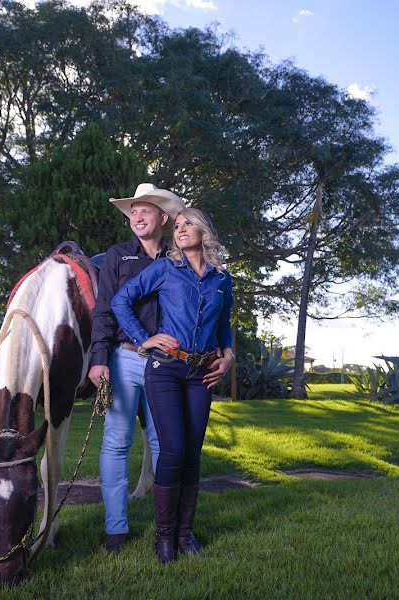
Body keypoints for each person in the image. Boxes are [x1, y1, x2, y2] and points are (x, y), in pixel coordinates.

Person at [111, 207, 235, 563]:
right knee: (173, 450)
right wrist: (143, 339)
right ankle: (163, 539)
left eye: (187, 224)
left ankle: (185, 535)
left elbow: (224, 324)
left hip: (202, 374)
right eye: (176, 225)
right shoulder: (165, 269)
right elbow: (122, 302)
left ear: (204, 231)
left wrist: (227, 356)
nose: (180, 230)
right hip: (165, 369)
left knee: (192, 455)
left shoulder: (221, 280)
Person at [88, 183, 185, 553]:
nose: (137, 217)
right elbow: (104, 310)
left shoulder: (177, 261)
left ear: (162, 218)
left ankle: (168, 528)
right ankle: (116, 529)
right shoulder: (116, 257)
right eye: (133, 212)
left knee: (164, 442)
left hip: (166, 364)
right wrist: (99, 359)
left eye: (145, 210)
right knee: (116, 443)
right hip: (125, 358)